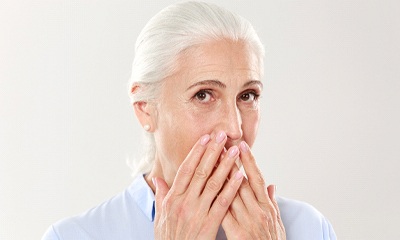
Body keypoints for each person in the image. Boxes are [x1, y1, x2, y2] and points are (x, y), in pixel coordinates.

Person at [42, 1, 336, 239]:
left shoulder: (309, 228)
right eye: (204, 95)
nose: (235, 129)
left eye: (247, 96)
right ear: (145, 107)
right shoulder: (73, 236)